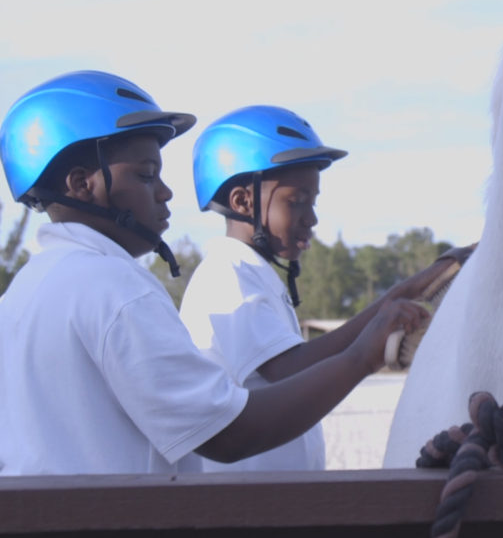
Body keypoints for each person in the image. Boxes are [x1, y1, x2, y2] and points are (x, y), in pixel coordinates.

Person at [0, 70, 428, 475]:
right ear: (81, 185)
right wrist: (362, 358)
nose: (166, 192)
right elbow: (230, 435)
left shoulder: (18, 298)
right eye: (147, 174)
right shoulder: (111, 287)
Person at [181, 105, 469, 471]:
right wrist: (380, 330)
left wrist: (418, 285)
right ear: (242, 201)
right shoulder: (227, 276)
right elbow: (290, 371)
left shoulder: (252, 274)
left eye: (313, 202)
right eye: (297, 201)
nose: (312, 218)